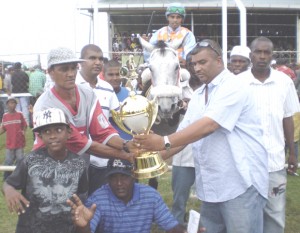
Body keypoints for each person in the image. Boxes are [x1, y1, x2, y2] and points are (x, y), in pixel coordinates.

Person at [134, 39, 269, 233]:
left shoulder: (234, 86)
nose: (197, 68)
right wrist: (152, 159)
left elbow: (209, 125)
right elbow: (185, 134)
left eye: (202, 62)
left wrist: (164, 141)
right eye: (194, 64)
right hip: (211, 185)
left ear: (219, 61)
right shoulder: (198, 96)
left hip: (241, 184)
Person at [33, 47, 135, 168]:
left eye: (73, 68)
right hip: (49, 171)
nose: (71, 74)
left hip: (79, 169)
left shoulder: (87, 94)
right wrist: (125, 155)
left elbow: (102, 131)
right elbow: (79, 144)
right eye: (64, 69)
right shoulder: (45, 105)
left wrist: (126, 144)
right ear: (50, 72)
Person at [238, 36, 300, 233]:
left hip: (274, 161)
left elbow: (287, 118)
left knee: (275, 213)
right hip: (244, 162)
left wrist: (292, 152)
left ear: (273, 56)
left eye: (267, 52)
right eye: (258, 52)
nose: (262, 56)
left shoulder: (284, 82)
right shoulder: (237, 83)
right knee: (247, 214)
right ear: (251, 55)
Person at [2, 107, 88, 233]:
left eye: (59, 130)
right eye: (47, 131)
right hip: (29, 228)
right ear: (40, 135)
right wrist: (9, 190)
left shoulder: (79, 164)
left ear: (69, 132)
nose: (53, 136)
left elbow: (81, 199)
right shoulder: (30, 160)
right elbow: (8, 183)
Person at [67, 158, 206, 233]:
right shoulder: (98, 199)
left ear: (134, 177)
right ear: (107, 179)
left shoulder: (151, 196)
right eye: (114, 177)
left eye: (124, 177)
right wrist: (83, 227)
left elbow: (170, 226)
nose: (119, 183)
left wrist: (186, 232)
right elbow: (86, 230)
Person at [76, 44, 120, 195]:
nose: (98, 62)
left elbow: (119, 118)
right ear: (81, 62)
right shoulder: (71, 85)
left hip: (103, 159)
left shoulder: (107, 87)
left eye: (100, 59)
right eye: (92, 58)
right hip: (75, 159)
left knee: (99, 203)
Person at [170, 52, 202, 225]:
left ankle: (205, 225)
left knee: (209, 197)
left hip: (207, 153)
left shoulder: (212, 87)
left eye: (198, 63)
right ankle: (177, 224)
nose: (195, 68)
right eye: (191, 64)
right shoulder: (178, 88)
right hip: (183, 153)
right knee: (179, 197)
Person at [147, 2, 196, 66]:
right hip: (160, 67)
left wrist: (186, 61)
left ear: (182, 19)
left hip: (180, 67)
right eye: (172, 17)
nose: (175, 20)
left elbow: (190, 53)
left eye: (178, 17)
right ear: (168, 18)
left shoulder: (188, 34)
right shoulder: (159, 33)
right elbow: (149, 53)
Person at [102, 59, 132, 140]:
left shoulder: (131, 94)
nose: (115, 78)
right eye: (111, 75)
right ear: (104, 76)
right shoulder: (97, 96)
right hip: (107, 146)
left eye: (118, 74)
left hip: (131, 144)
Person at [0, 96, 27, 180]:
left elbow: (24, 125)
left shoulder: (20, 114)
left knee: (20, 160)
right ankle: (7, 177)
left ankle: (20, 176)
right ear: (7, 105)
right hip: (10, 143)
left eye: (14, 103)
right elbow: (3, 128)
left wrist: (23, 131)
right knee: (8, 161)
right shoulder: (5, 116)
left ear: (16, 104)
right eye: (10, 103)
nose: (12, 105)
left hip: (19, 143)